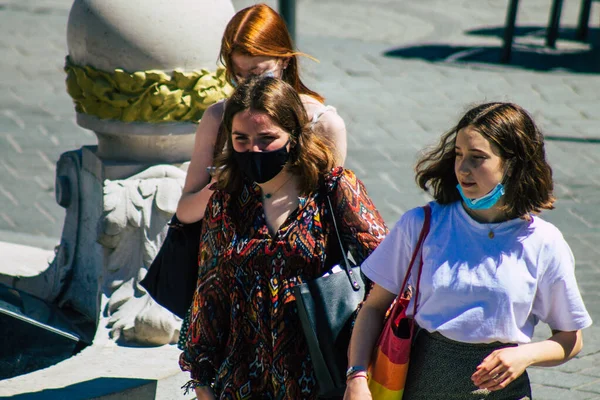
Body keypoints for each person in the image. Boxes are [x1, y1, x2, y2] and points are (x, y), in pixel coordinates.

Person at [344, 102, 592, 399]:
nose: (463, 168)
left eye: (478, 158)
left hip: (505, 393)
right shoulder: (422, 224)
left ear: (512, 165)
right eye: (459, 155)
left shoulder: (543, 242)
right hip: (422, 386)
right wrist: (356, 378)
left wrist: (524, 356)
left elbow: (570, 338)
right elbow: (372, 308)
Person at [179, 76, 387, 399]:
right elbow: (210, 291)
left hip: (323, 379)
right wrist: (203, 382)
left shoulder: (331, 188)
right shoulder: (226, 199)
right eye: (241, 139)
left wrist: (357, 371)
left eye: (267, 138)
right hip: (243, 382)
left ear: (293, 135)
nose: (254, 150)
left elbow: (388, 272)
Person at [176, 3, 347, 224]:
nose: (250, 84)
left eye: (260, 73)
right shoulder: (217, 118)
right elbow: (185, 212)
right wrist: (221, 181)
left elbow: (334, 213)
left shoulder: (322, 124)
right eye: (239, 76)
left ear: (285, 60)